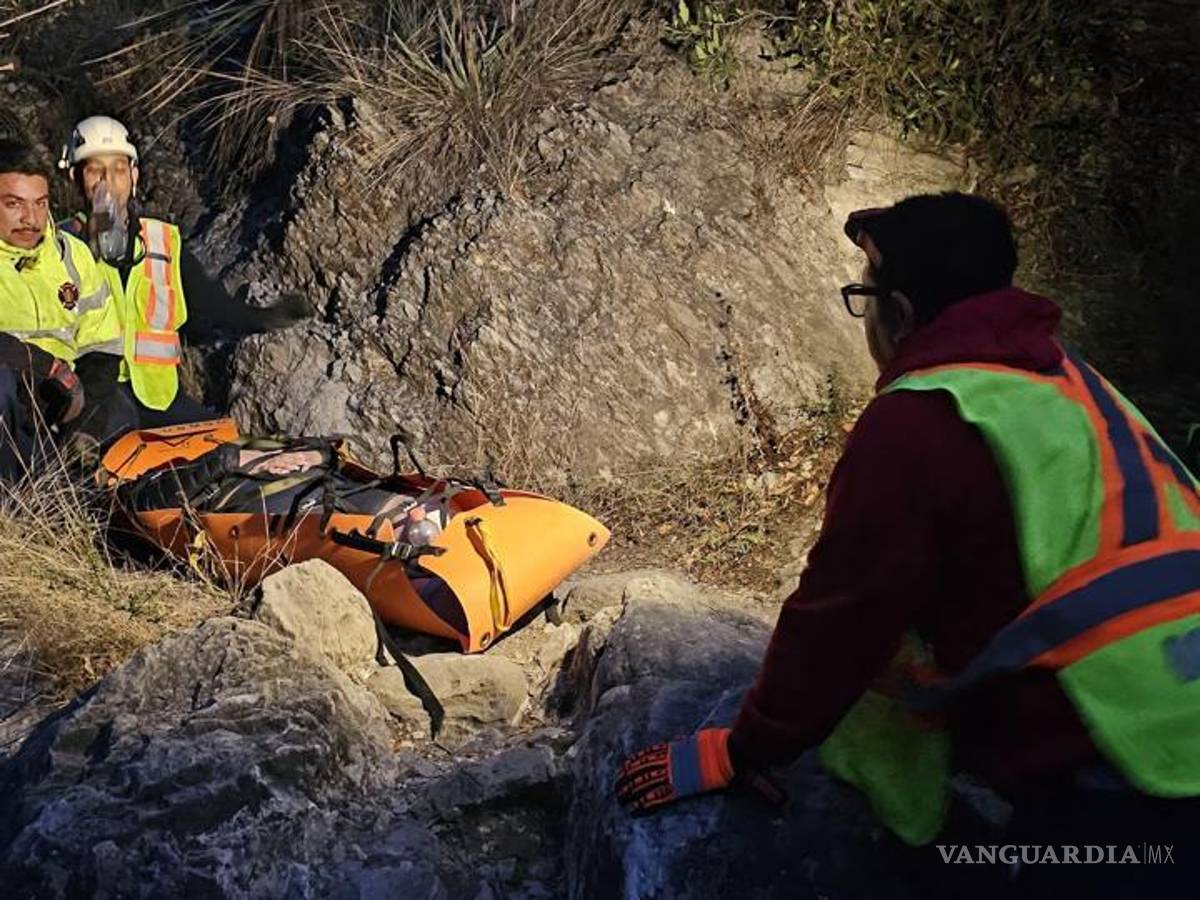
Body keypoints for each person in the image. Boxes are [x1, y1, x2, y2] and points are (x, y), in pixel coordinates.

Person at [616, 192, 1200, 895]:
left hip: (1131, 767)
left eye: (865, 296)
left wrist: (743, 750)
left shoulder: (920, 422)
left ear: (900, 313)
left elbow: (839, 621)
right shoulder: (1068, 382)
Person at [57, 115, 310, 427]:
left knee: (221, 442)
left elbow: (214, 307)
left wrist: (270, 318)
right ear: (75, 177)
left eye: (119, 169)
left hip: (158, 400)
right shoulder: (59, 247)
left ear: (134, 176)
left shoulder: (162, 242)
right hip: (94, 402)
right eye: (95, 170)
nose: (108, 181)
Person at [0, 137, 134, 477]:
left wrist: (84, 428)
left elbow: (102, 350)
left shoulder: (72, 255)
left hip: (63, 404)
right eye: (13, 204)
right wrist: (47, 367)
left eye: (40, 203)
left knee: (121, 415)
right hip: (16, 397)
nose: (30, 218)